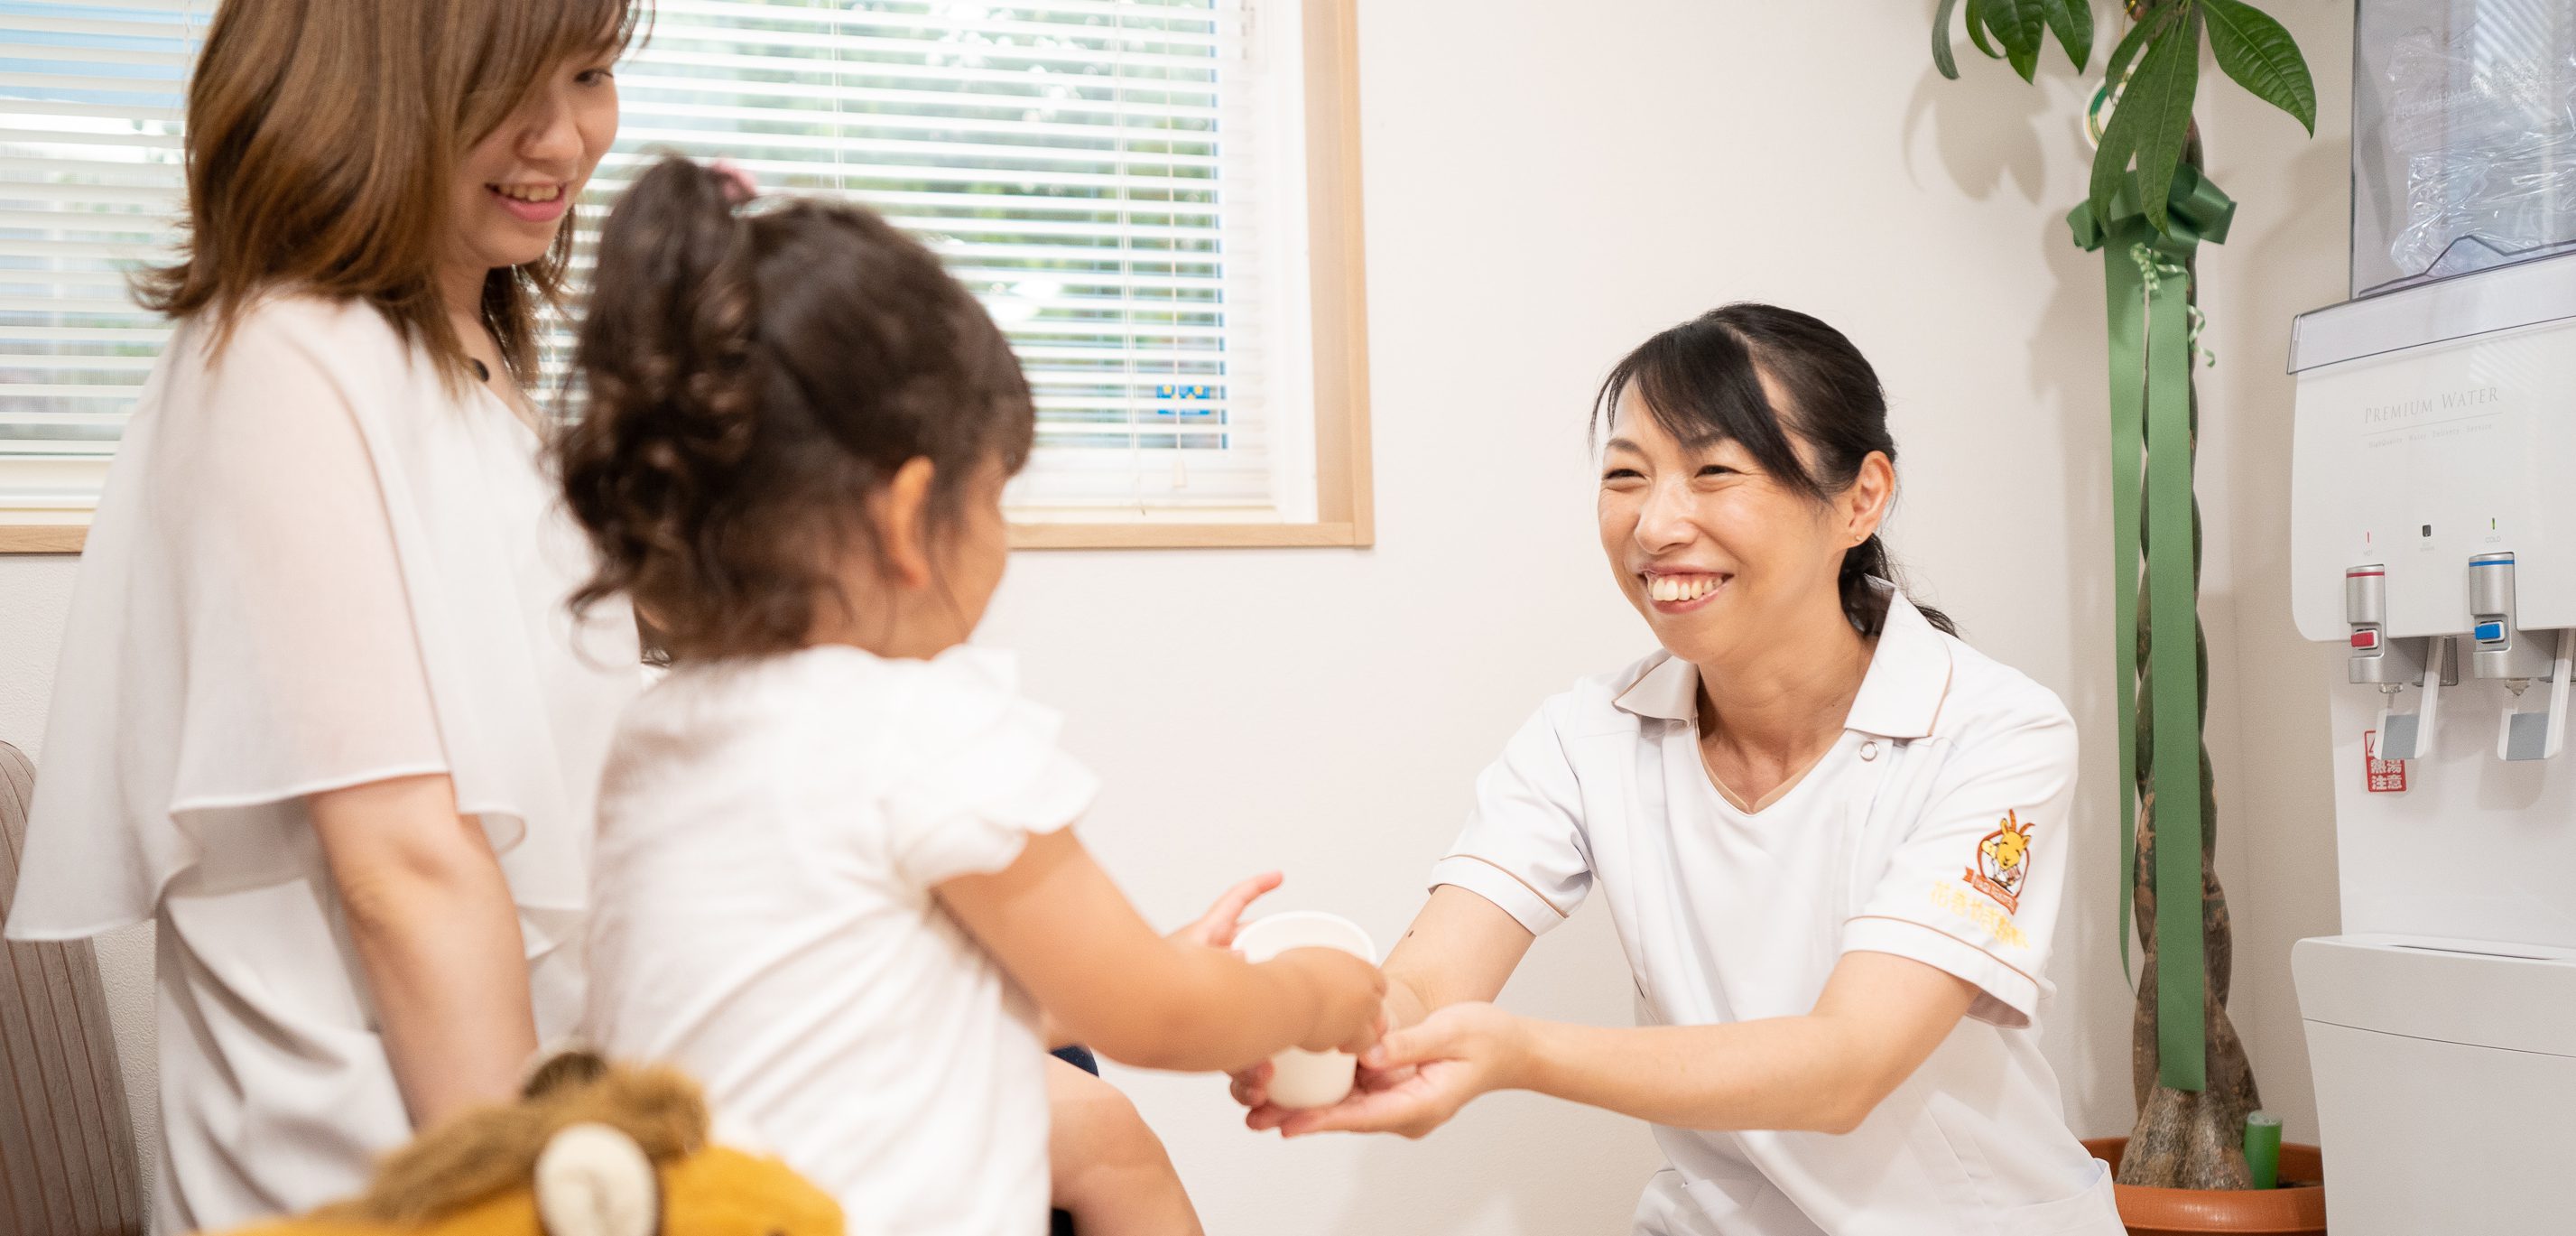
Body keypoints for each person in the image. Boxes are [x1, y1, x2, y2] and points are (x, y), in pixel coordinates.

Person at [561, 157, 1385, 1236]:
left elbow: (848, 997)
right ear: (911, 517)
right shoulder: (919, 725)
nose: (1004, 540)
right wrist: (1314, 993)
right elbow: (1151, 1012)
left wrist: (1140, 961)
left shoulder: (662, 732)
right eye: (996, 497)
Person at [1234, 305, 2124, 1236]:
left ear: (1859, 500)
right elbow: (1424, 987)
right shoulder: (1584, 735)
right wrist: (1299, 1019)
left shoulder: (1994, 731)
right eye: (1626, 475)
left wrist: (1518, 1053)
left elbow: (1847, 1064)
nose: (1655, 524)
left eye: (1713, 472)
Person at [1, 2, 645, 1229]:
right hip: (394, 1159)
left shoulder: (465, 349)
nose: (563, 138)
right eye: (505, 84)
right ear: (361, 86)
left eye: (592, 73)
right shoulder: (287, 356)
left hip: (549, 1082)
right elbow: (403, 872)